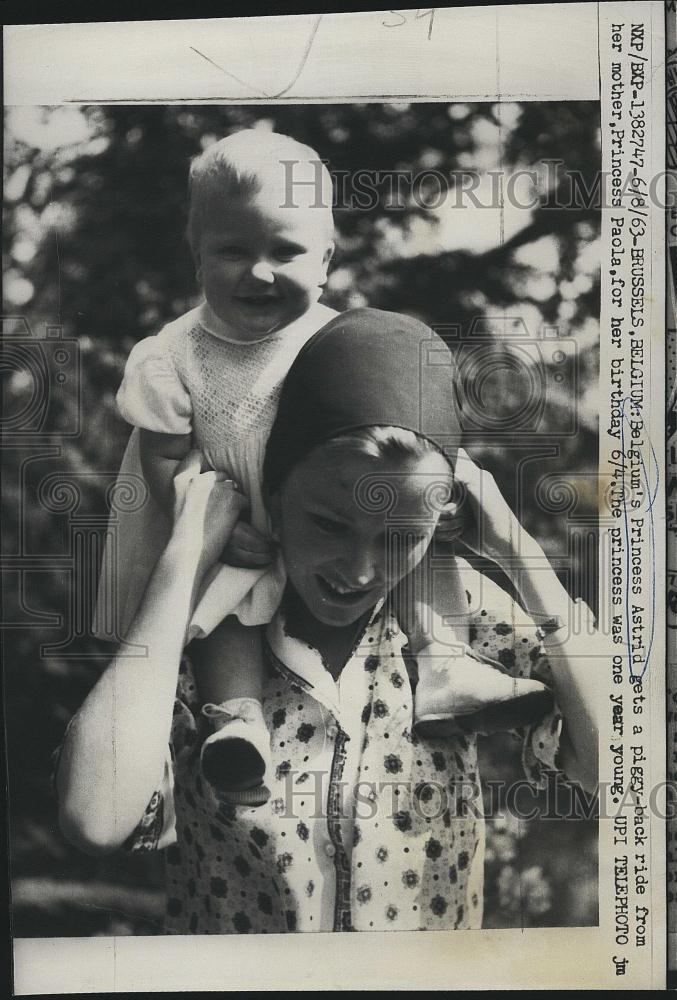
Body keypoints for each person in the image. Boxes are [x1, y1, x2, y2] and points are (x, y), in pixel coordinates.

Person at [56, 309, 601, 934]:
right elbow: (94, 818)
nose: (361, 570)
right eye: (329, 524)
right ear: (278, 495)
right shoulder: (207, 630)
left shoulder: (460, 621)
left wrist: (521, 556)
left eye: (401, 537)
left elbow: (620, 777)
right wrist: (185, 558)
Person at [95, 132, 545, 807]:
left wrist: (440, 492)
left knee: (409, 532)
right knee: (230, 613)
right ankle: (236, 722)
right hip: (233, 512)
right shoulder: (172, 355)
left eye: (285, 251)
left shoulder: (338, 341)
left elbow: (401, 437)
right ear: (196, 255)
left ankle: (444, 660)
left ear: (327, 259)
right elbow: (160, 456)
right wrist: (213, 526)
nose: (259, 273)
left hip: (337, 511)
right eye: (233, 251)